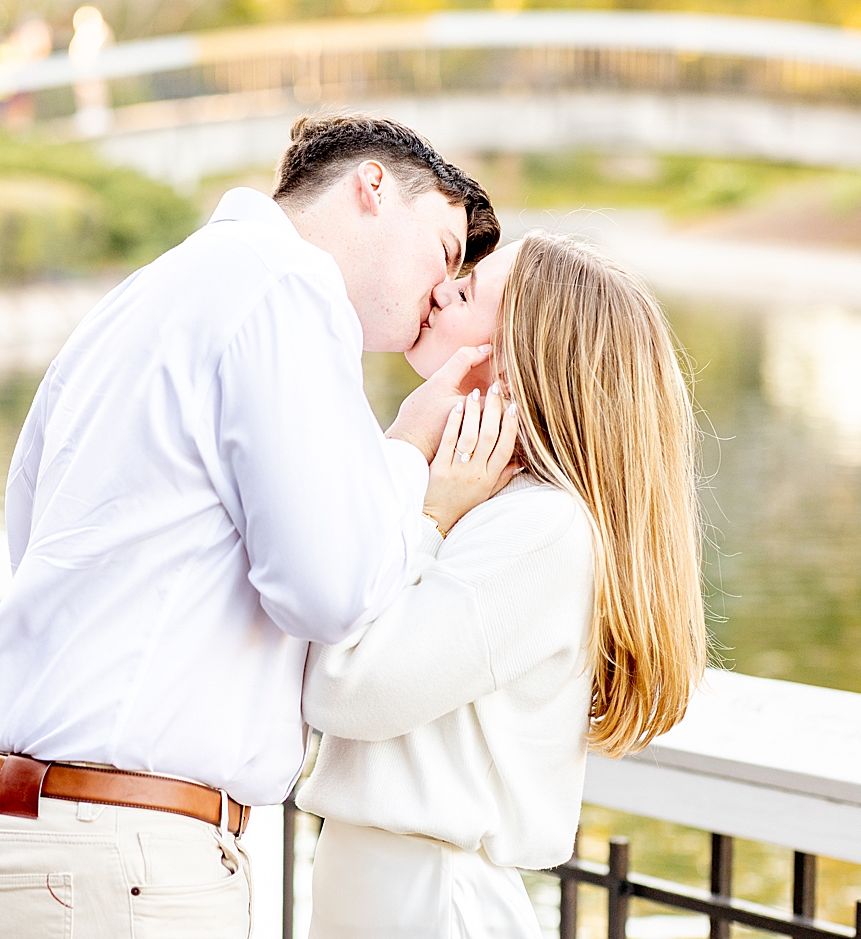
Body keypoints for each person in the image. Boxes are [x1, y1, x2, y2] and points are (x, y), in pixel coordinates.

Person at [0, 113, 499, 939]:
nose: (439, 294)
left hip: (9, 834)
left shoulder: (147, 293)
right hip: (120, 853)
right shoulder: (287, 290)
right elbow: (328, 594)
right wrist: (415, 462)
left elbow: (35, 535)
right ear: (373, 186)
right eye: (445, 253)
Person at [299, 231, 711, 939]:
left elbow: (345, 689)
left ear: (519, 362)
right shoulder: (498, 508)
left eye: (468, 292)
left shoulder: (539, 529)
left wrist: (427, 511)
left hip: (428, 898)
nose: (441, 290)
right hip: (395, 889)